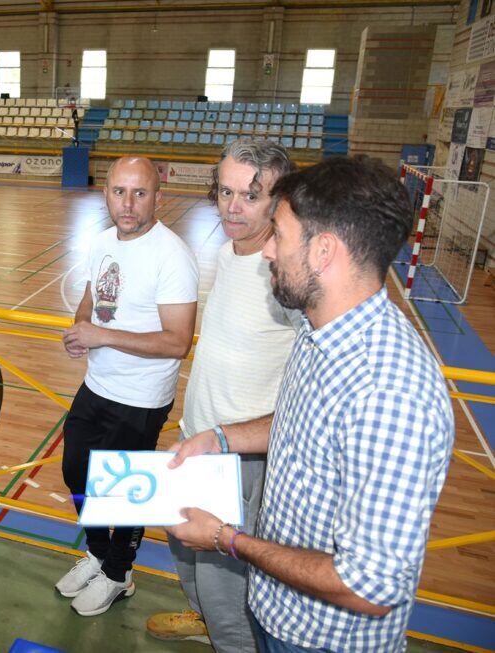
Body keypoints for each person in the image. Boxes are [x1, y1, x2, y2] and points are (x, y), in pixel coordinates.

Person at [166, 156, 455, 652]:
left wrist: (225, 539)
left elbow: (369, 587)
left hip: (320, 640)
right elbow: (300, 422)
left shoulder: (390, 395)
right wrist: (220, 437)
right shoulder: (319, 329)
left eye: (277, 233)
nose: (266, 251)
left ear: (323, 250)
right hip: (275, 608)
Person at [146, 139, 298, 649]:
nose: (233, 207)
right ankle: (203, 620)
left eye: (250, 196)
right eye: (225, 192)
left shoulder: (291, 276)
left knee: (223, 584)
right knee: (183, 549)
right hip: (197, 439)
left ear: (279, 202)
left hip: (240, 453)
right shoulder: (227, 251)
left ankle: (229, 638)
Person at [57, 156, 198, 617]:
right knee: (77, 472)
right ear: (105, 194)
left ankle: (120, 573)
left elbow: (178, 342)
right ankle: (99, 552)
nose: (129, 204)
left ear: (160, 197)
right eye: (120, 192)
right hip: (96, 383)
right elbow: (88, 300)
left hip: (140, 398)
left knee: (126, 491)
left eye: (140, 193)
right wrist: (82, 330)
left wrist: (103, 335)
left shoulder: (172, 255)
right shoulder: (100, 243)